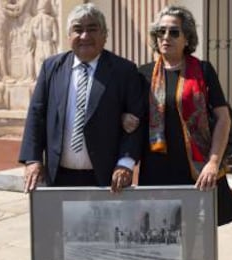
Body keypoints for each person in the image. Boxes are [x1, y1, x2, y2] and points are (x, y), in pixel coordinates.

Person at [133, 5, 232, 225]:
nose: (166, 37)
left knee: (194, 240)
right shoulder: (142, 74)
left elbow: (223, 118)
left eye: (174, 32)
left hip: (194, 170)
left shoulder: (203, 70)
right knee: (158, 235)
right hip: (155, 171)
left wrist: (213, 162)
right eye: (160, 31)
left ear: (187, 38)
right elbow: (134, 118)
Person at [19, 3, 145, 193]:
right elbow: (37, 114)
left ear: (105, 35)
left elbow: (137, 120)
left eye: (92, 29)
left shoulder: (124, 71)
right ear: (69, 35)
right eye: (78, 30)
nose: (85, 36)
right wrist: (33, 159)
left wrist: (125, 163)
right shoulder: (51, 67)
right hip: (58, 175)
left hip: (106, 178)